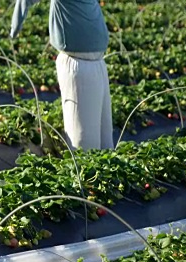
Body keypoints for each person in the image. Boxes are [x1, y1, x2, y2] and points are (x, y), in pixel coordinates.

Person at [10, 0, 113, 150]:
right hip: (77, 63)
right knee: (83, 140)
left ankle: (101, 170)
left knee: (105, 137)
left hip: (98, 62)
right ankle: (83, 171)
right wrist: (15, 27)